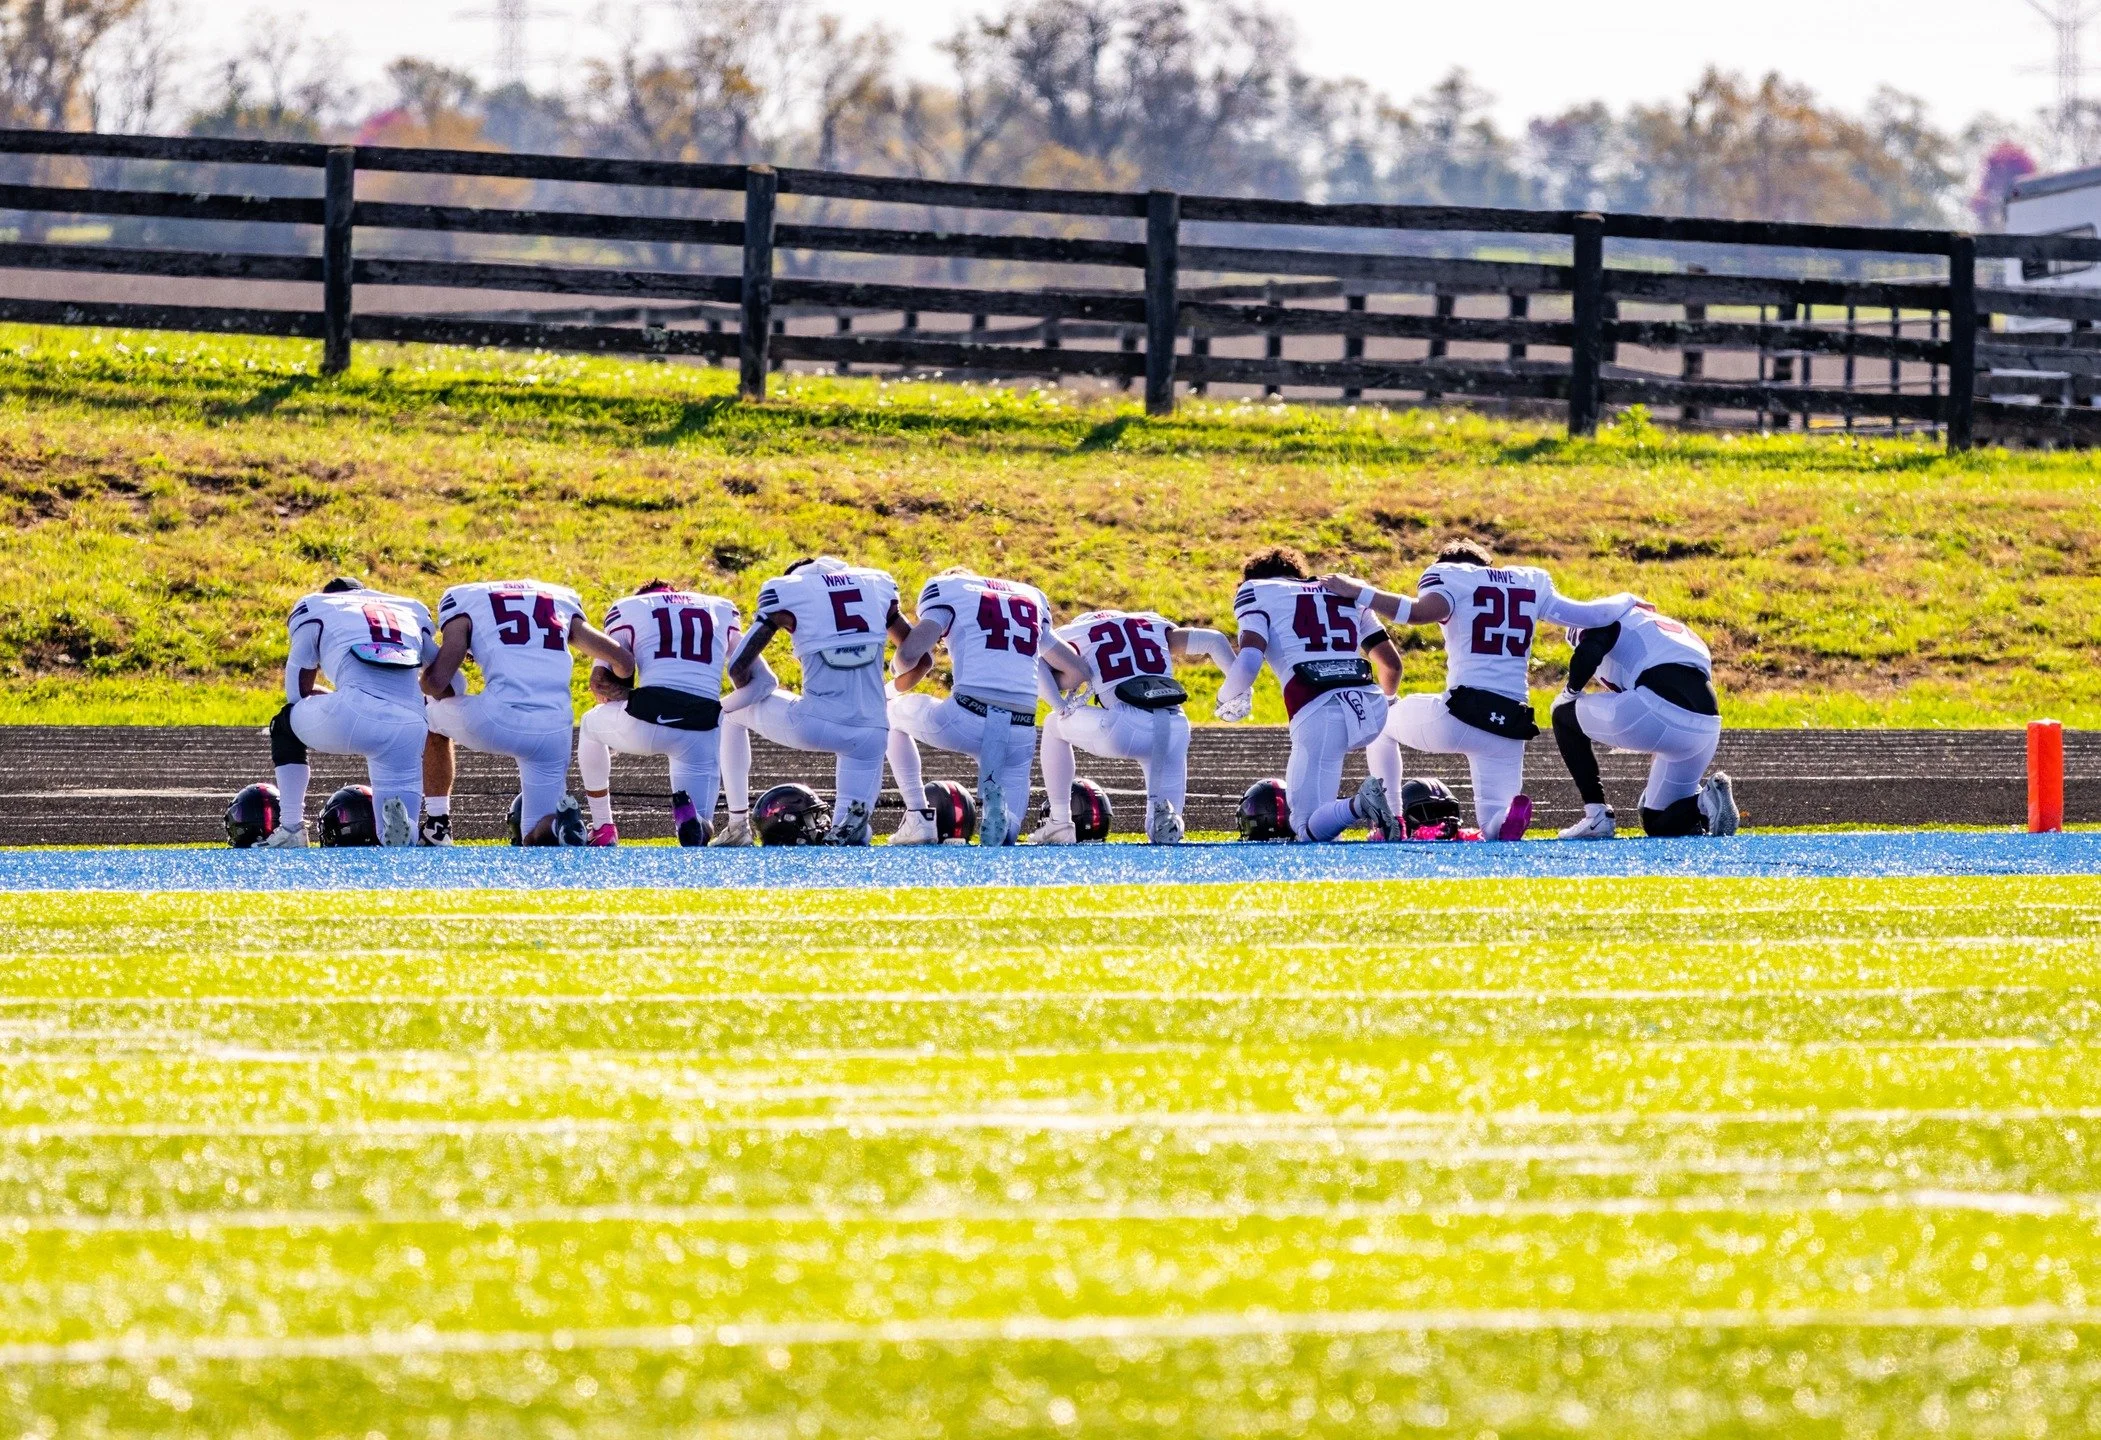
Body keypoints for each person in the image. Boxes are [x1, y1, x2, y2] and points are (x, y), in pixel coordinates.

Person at [1323, 538, 1640, 841]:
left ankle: (1389, 820)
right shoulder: (1529, 580)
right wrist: (1629, 599)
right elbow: (1591, 616)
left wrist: (1358, 591)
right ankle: (1505, 818)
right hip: (1510, 723)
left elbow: (1418, 613)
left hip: (1460, 714)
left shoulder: (1451, 577)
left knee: (1382, 723)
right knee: (1493, 826)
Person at [420, 578, 633, 846]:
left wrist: (428, 684)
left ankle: (437, 825)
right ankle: (558, 826)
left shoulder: (463, 598)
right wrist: (612, 690)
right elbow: (623, 660)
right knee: (536, 836)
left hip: (499, 719)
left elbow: (438, 681)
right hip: (555, 729)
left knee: (428, 714)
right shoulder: (560, 599)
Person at [887, 567, 1090, 847]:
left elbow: (909, 656)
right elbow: (1078, 671)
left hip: (967, 716)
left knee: (890, 714)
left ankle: (917, 816)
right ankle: (1001, 819)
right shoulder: (1030, 599)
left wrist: (894, 671)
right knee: (1007, 834)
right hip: (1021, 724)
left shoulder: (950, 591)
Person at [1213, 547, 1401, 842]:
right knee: (1321, 814)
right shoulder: (1343, 587)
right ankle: (1370, 812)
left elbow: (1250, 660)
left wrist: (1224, 699)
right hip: (1370, 706)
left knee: (1304, 826)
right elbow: (1392, 665)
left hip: (1317, 705)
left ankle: (1359, 805)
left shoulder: (1256, 590)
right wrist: (1388, 705)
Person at [720, 555, 907, 847]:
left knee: (731, 715)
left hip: (816, 721)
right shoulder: (876, 583)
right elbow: (916, 655)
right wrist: (892, 686)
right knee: (851, 831)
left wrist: (751, 691)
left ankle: (737, 824)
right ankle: (853, 826)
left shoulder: (788, 591)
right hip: (872, 730)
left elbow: (738, 666)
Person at [1029, 606, 1237, 846]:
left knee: (1054, 725)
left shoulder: (1075, 632)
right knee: (1164, 831)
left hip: (1125, 727)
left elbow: (1035, 659)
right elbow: (1215, 640)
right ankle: (1164, 819)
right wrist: (1239, 691)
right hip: (1175, 727)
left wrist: (1057, 703)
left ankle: (1059, 822)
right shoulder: (1152, 624)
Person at [258, 576, 436, 848]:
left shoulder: (319, 606)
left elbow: (296, 692)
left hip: (353, 714)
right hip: (411, 723)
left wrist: (339, 699)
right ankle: (407, 830)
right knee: (394, 836)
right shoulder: (408, 608)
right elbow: (451, 681)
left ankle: (292, 828)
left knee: (284, 726)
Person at [576, 581, 750, 847]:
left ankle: (603, 826)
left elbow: (600, 680)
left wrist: (627, 696)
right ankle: (697, 824)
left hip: (646, 719)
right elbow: (746, 671)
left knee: (589, 724)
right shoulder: (720, 609)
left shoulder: (630, 608)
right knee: (700, 822)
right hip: (701, 724)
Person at [1552, 601, 1738, 839]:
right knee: (1658, 822)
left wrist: (1569, 692)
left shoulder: (1606, 619)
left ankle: (1595, 814)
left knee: (1562, 715)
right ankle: (1704, 802)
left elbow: (1589, 652)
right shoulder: (1661, 630)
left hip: (1658, 709)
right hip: (1705, 729)